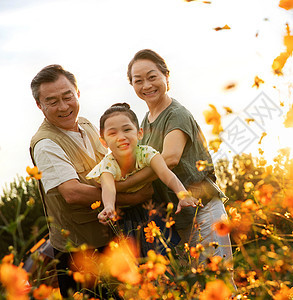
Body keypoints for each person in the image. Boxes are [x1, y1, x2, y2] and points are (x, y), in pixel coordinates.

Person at [29, 65, 153, 298]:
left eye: (67, 96)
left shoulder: (86, 124)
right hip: (80, 253)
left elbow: (112, 164)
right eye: (52, 101)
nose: (64, 106)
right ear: (40, 105)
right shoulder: (45, 143)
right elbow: (72, 193)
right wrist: (133, 197)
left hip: (112, 240)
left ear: (77, 93)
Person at [122, 49, 234, 269]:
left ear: (166, 76)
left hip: (202, 209)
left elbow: (170, 159)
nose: (146, 85)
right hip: (179, 217)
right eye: (138, 81)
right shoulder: (145, 121)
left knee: (217, 281)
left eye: (152, 77)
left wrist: (125, 185)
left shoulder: (176, 113)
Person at [86, 102, 199, 256]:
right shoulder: (108, 164)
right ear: (103, 141)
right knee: (136, 258)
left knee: (165, 251)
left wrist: (182, 194)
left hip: (152, 207)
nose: (121, 137)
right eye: (112, 133)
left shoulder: (146, 153)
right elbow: (108, 187)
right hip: (126, 214)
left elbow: (165, 173)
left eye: (127, 130)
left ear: (139, 133)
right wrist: (109, 207)